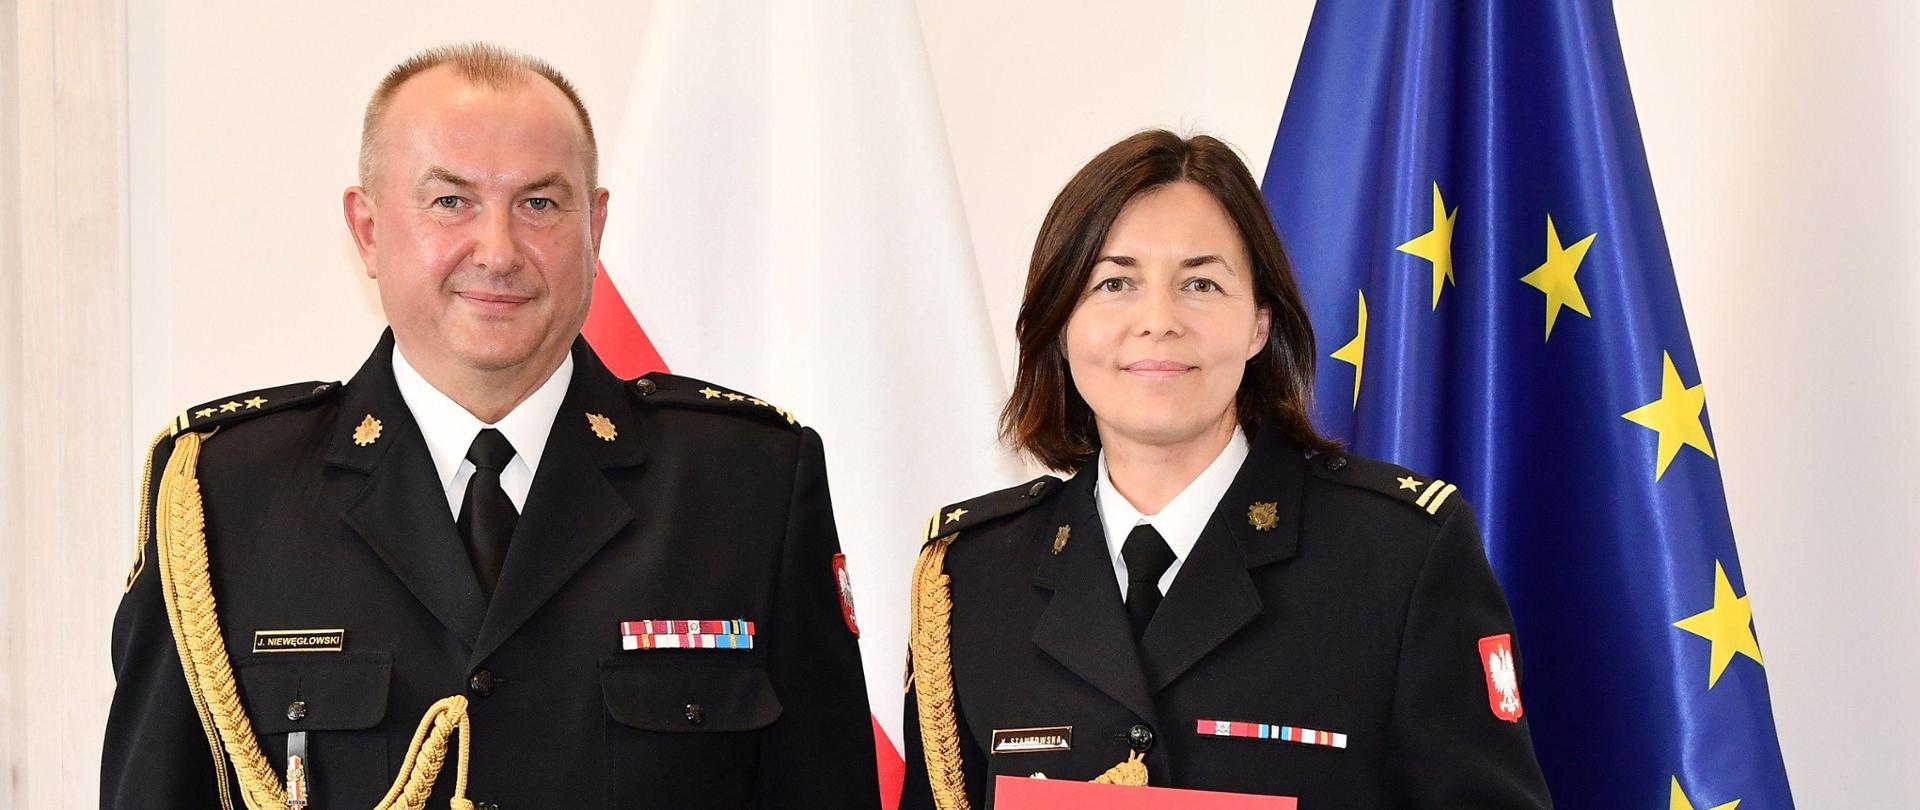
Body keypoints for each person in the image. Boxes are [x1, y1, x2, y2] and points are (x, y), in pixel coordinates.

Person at [102, 43, 879, 809]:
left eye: (539, 204)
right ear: (368, 230)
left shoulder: (748, 486)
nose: (499, 252)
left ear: (595, 228)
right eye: (451, 202)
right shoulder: (224, 498)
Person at [899, 130, 1552, 808]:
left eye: (1200, 283)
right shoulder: (973, 576)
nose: (1159, 320)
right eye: (1115, 283)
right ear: (1061, 325)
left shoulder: (1399, 557)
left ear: (1259, 324)